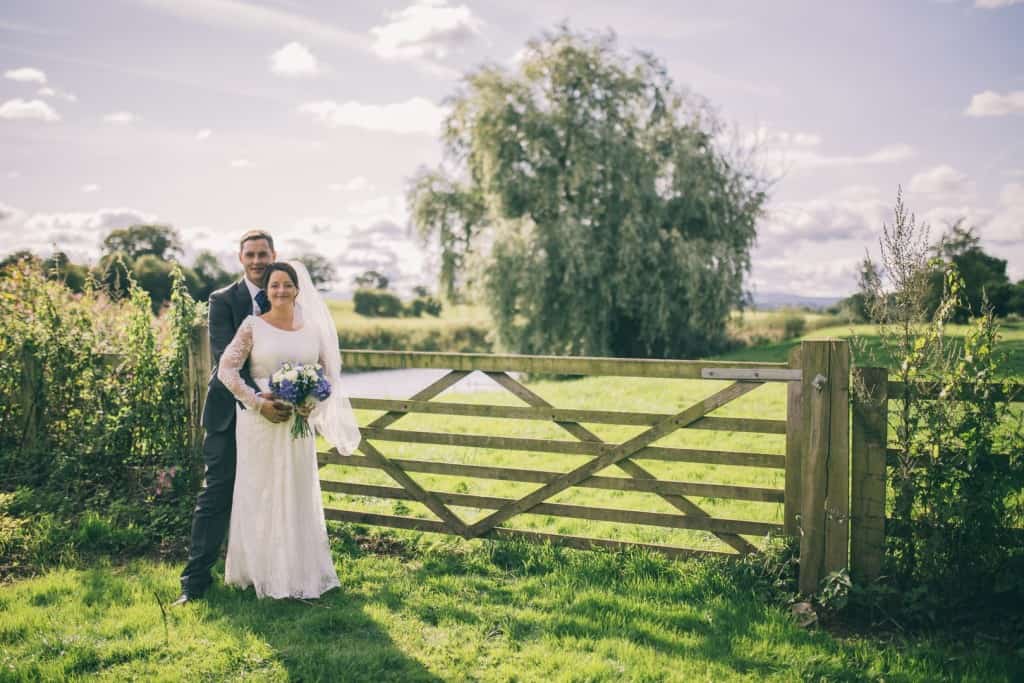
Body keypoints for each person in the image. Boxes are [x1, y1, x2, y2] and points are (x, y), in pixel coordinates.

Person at [213, 260, 361, 598]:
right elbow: (226, 370)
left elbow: (327, 374)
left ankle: (298, 573)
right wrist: (256, 402)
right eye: (274, 285)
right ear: (266, 290)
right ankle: (258, 572)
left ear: (298, 289)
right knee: (260, 493)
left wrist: (314, 401)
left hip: (299, 422)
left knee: (296, 493)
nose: (280, 290)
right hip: (260, 423)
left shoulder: (313, 329)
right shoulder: (252, 325)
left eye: (287, 284)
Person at [175, 230, 294, 605]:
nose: (257, 261)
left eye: (263, 254)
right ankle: (194, 583)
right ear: (240, 258)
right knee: (217, 493)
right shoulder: (223, 300)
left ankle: (271, 574)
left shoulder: (287, 295)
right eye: (250, 255)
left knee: (275, 493)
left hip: (279, 418)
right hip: (230, 412)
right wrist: (260, 399)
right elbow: (225, 360)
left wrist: (298, 392)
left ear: (274, 254)